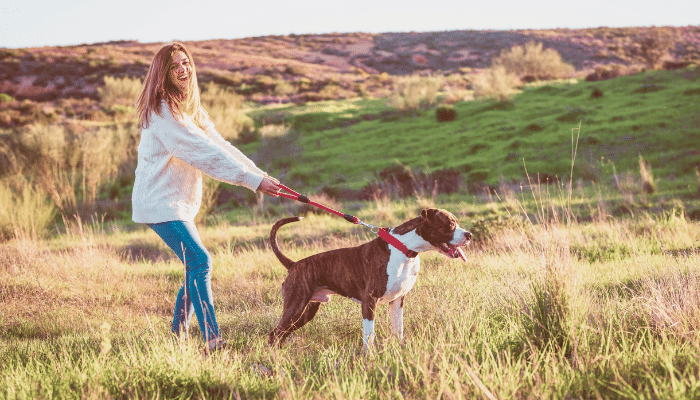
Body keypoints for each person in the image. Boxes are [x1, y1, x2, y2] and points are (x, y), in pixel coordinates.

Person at [132, 42, 281, 352]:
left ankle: (177, 337)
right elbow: (201, 154)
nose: (183, 69)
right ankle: (213, 341)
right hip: (159, 203)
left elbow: (219, 146)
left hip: (177, 203)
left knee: (193, 266)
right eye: (174, 66)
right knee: (200, 261)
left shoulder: (190, 109)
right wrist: (252, 182)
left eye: (186, 63)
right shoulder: (163, 112)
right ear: (163, 74)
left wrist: (258, 175)